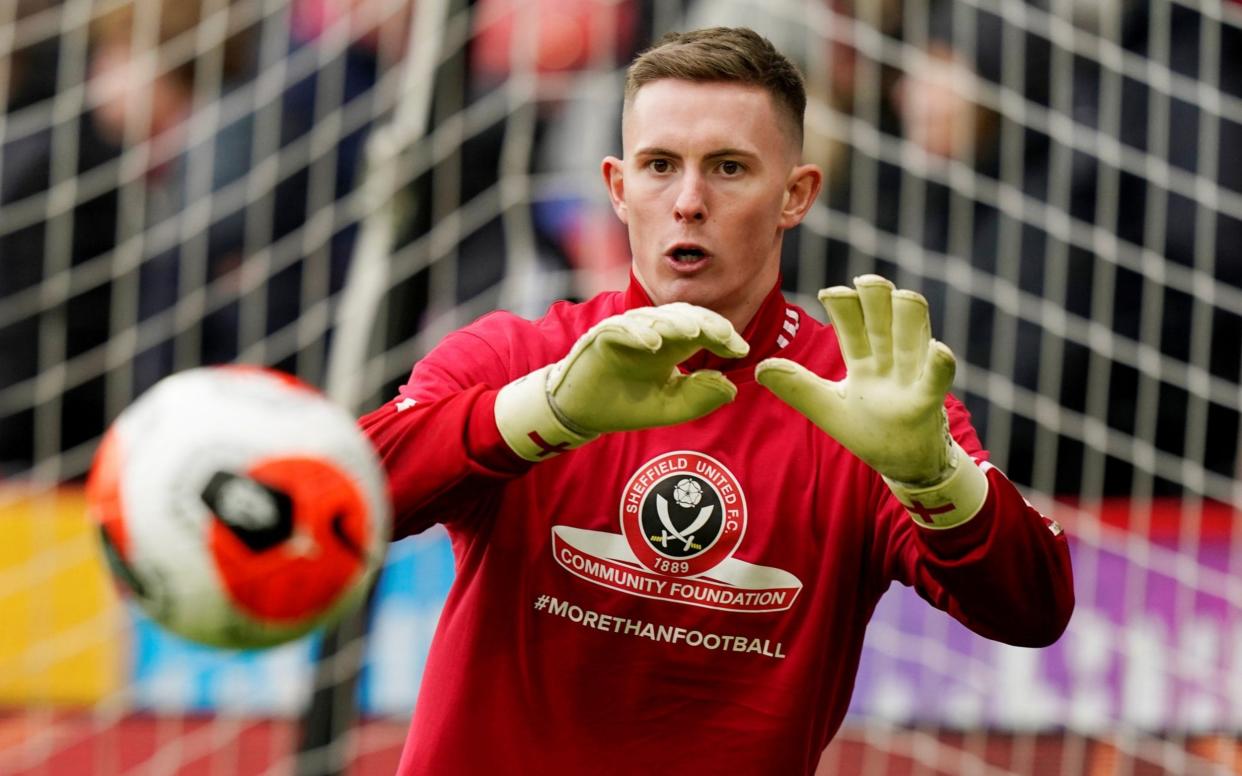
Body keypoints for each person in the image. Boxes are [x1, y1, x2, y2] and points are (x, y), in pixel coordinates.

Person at [361, 26, 1074, 775]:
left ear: (795, 194)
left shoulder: (860, 395)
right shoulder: (523, 357)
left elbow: (1032, 612)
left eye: (729, 168)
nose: (689, 201)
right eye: (660, 166)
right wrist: (548, 413)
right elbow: (354, 488)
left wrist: (935, 477)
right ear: (617, 186)